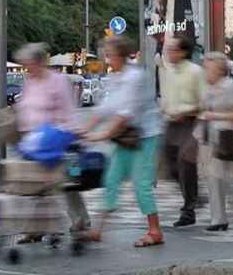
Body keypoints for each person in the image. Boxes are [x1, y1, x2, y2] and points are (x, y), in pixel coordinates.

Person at [80, 36, 165, 248]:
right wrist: (83, 130)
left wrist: (102, 135)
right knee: (111, 178)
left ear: (122, 55)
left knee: (141, 183)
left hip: (145, 135)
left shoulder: (135, 77)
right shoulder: (116, 78)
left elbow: (125, 114)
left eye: (110, 56)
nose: (108, 60)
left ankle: (155, 231)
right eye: (106, 55)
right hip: (126, 137)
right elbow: (104, 109)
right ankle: (97, 230)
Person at [14, 43, 89, 231]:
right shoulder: (30, 82)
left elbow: (68, 111)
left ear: (39, 62)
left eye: (29, 64)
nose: (27, 68)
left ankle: (80, 220)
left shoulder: (58, 80)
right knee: (35, 186)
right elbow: (26, 109)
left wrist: (69, 135)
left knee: (68, 184)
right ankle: (35, 230)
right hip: (34, 143)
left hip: (59, 141)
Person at [158, 36, 205, 227]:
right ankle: (193, 195)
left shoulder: (195, 72)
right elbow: (165, 98)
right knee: (170, 162)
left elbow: (203, 100)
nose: (170, 54)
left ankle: (189, 208)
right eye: (168, 50)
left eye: (173, 50)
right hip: (171, 122)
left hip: (191, 121)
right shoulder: (168, 72)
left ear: (183, 52)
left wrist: (188, 111)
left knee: (185, 160)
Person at [195, 52, 233, 231]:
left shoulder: (232, 86)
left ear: (218, 69)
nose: (206, 71)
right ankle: (218, 216)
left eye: (208, 67)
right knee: (211, 177)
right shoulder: (205, 87)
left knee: (218, 176)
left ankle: (220, 217)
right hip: (206, 135)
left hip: (224, 135)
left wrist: (214, 115)